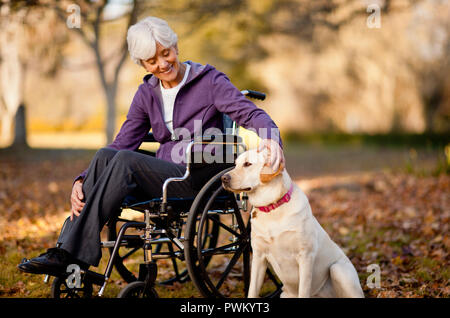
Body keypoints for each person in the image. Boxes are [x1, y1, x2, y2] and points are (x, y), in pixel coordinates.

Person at [18, 16, 284, 275]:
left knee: (125, 161)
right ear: (143, 64)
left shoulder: (210, 81)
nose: (162, 64)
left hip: (198, 175)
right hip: (163, 175)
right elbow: (124, 141)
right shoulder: (146, 94)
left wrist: (271, 138)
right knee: (105, 154)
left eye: (165, 53)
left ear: (175, 47)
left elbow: (251, 114)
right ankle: (65, 253)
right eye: (152, 61)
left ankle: (69, 254)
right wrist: (82, 179)